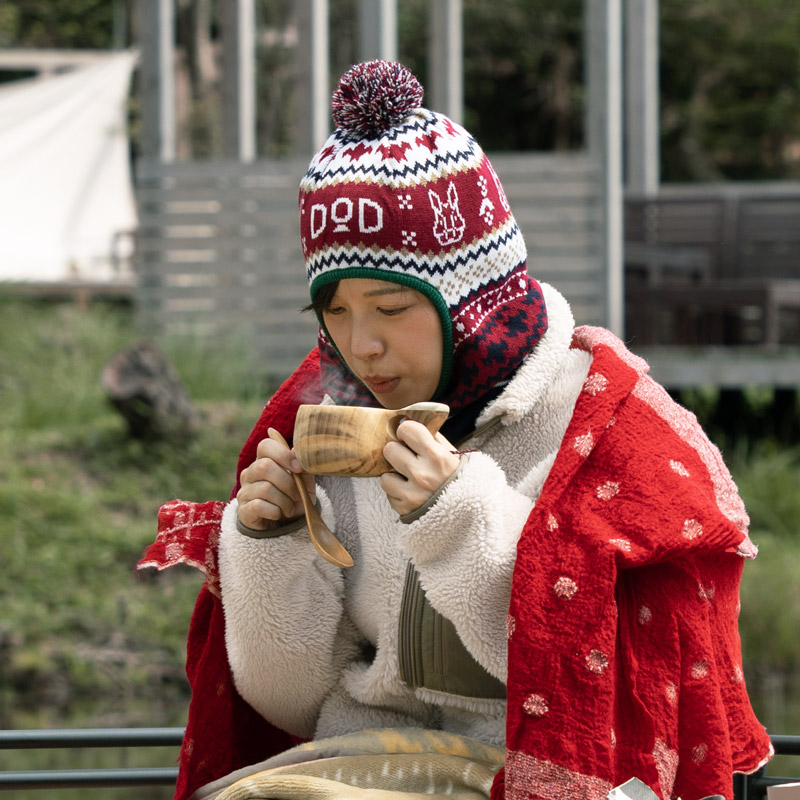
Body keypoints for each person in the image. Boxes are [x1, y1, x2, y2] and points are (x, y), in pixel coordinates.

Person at [140, 60, 772, 800]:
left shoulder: (603, 425)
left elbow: (603, 687)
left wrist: (458, 517)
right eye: (334, 312)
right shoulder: (317, 422)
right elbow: (288, 702)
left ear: (473, 297)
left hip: (546, 775)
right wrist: (270, 547)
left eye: (391, 306)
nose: (361, 345)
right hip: (360, 767)